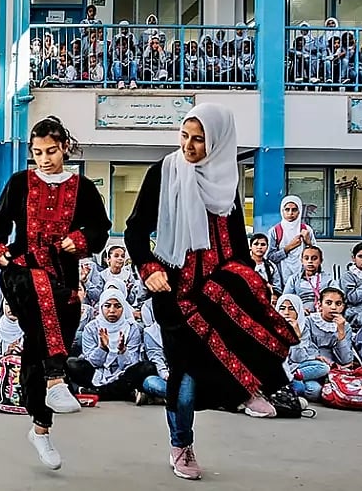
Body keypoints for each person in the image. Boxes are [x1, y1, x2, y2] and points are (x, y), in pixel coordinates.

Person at [124, 103, 298, 481]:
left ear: (217, 142)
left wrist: (250, 280)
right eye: (184, 136)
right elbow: (135, 231)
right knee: (185, 374)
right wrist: (149, 268)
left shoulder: (226, 179)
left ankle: (247, 389)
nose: (189, 146)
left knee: (251, 327)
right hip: (174, 290)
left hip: (216, 285)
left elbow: (235, 242)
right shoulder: (164, 173)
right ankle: (181, 446)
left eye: (199, 139)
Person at [0, 116, 111, 471]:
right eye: (37, 152)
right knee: (39, 292)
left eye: (51, 151)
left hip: (64, 277)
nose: (44, 159)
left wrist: (80, 240)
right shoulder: (19, 182)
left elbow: (100, 228)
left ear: (64, 147)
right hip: (21, 270)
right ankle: (57, 378)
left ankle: (40, 428)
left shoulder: (82, 188)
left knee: (41, 340)